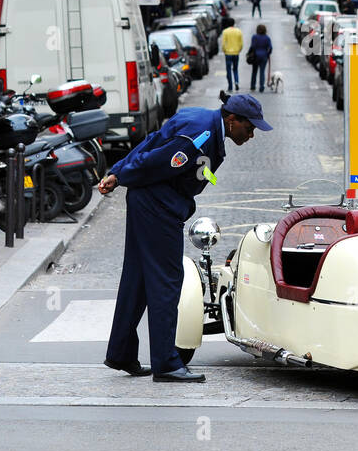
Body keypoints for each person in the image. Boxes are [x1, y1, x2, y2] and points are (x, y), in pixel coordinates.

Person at [99, 91, 271, 382]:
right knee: (167, 281)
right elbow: (156, 161)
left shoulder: (200, 120)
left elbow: (151, 140)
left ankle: (121, 353)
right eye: (250, 127)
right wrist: (122, 175)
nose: (252, 135)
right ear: (232, 120)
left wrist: (118, 172)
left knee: (138, 278)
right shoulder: (201, 135)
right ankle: (166, 363)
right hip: (157, 206)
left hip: (150, 202)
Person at [247, 23, 272, 92]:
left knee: (254, 71)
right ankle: (261, 87)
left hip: (255, 56)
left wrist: (249, 53)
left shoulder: (254, 37)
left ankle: (253, 86)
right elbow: (270, 47)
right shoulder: (267, 38)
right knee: (262, 71)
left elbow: (252, 46)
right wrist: (268, 54)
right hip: (264, 56)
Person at [220, 18, 243, 91]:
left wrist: (224, 50)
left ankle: (230, 86)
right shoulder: (238, 31)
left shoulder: (225, 32)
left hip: (228, 53)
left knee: (229, 70)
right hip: (236, 52)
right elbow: (241, 43)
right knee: (235, 69)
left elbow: (223, 43)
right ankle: (236, 82)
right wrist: (239, 50)